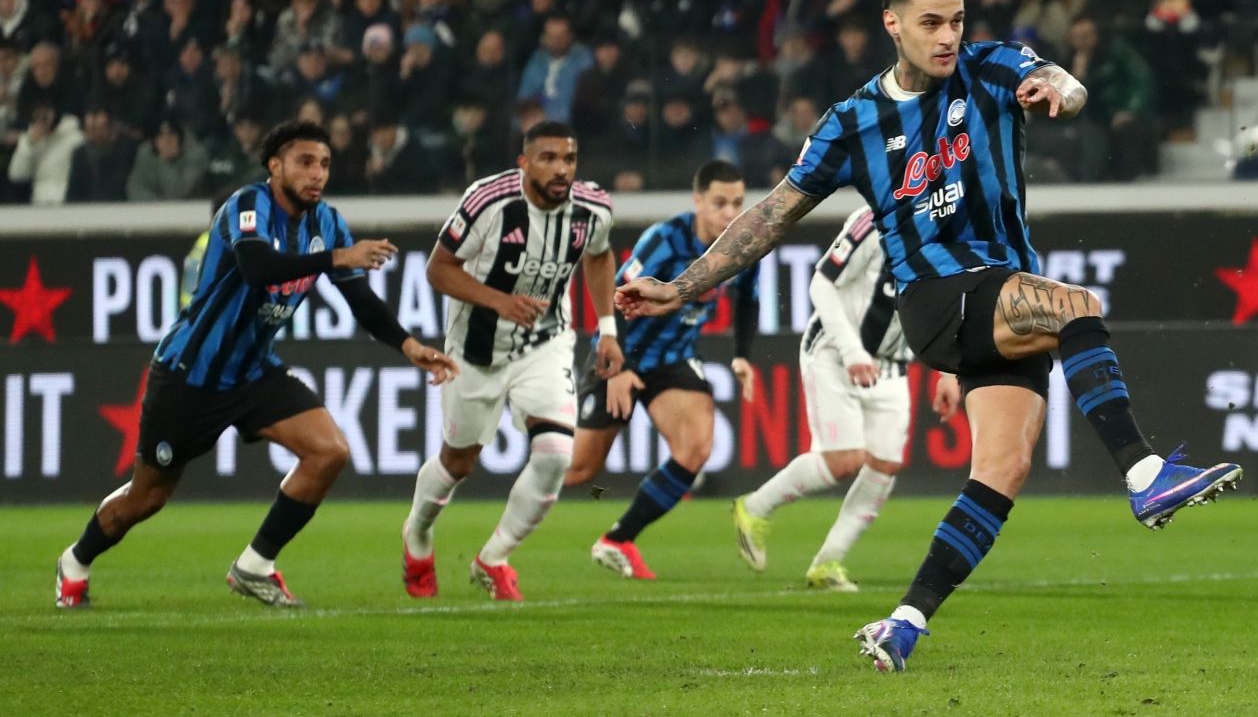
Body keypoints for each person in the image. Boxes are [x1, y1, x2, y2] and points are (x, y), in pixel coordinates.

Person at [614, 0, 1241, 672]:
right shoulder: (852, 122)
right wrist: (683, 285)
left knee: (1000, 470)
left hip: (999, 289)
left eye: (957, 20)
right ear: (894, 24)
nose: (948, 36)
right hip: (935, 295)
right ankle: (1144, 474)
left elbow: (1067, 84)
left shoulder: (994, 65)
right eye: (931, 22)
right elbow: (770, 215)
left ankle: (904, 621)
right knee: (1077, 306)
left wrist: (1056, 92)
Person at [55, 121, 455, 610]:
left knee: (328, 451)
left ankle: (255, 565)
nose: (317, 174)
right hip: (192, 375)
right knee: (147, 498)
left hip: (254, 372)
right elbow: (258, 267)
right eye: (305, 162)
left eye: (324, 164)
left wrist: (409, 345)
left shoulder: (326, 222)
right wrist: (337, 257)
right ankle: (75, 561)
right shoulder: (248, 206)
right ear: (276, 166)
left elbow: (359, 299)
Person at [400, 122, 618, 602]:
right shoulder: (489, 201)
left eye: (569, 158)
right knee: (459, 462)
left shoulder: (593, 207)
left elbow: (599, 257)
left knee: (557, 455)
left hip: (545, 342)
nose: (561, 169)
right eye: (548, 158)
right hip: (476, 351)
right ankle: (417, 533)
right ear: (524, 163)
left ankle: (493, 558)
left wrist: (608, 329)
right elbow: (438, 268)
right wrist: (498, 301)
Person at [566, 160, 757, 581]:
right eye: (720, 203)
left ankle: (618, 539)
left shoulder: (742, 243)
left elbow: (747, 299)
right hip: (622, 354)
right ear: (698, 201)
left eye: (738, 203)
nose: (730, 213)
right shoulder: (664, 241)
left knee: (696, 447)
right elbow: (614, 302)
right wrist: (615, 369)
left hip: (673, 359)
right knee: (579, 470)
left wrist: (741, 355)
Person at [732, 206, 918, 592]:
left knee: (884, 464)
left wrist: (950, 373)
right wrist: (851, 351)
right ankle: (753, 508)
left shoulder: (953, 228)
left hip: (893, 364)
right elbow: (821, 283)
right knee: (844, 460)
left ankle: (827, 561)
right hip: (835, 350)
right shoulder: (876, 218)